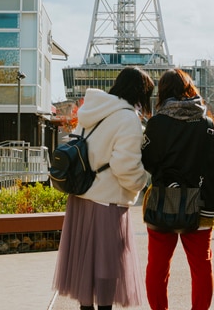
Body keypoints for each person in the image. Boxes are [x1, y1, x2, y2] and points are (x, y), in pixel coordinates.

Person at [53, 66, 155, 310]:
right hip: (107, 201)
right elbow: (125, 166)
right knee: (108, 270)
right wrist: (144, 180)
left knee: (85, 269)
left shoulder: (92, 110)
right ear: (139, 93)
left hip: (81, 197)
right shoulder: (127, 117)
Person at [140, 69, 214, 310]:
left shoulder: (156, 124)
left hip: (163, 201)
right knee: (201, 266)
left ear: (163, 93)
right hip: (199, 205)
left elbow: (148, 162)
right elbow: (213, 169)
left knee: (157, 266)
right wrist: (211, 209)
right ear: (189, 89)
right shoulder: (206, 124)